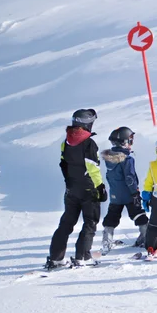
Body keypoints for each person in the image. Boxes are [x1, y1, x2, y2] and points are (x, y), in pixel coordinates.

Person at [46, 109, 107, 269]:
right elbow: (93, 168)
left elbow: (63, 164)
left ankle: (55, 258)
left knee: (66, 222)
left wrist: (69, 183)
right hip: (88, 189)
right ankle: (82, 257)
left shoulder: (66, 142)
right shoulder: (89, 144)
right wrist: (100, 187)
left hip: (72, 189)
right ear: (88, 124)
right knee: (90, 221)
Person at [100, 127, 149, 254]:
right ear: (124, 142)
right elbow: (130, 177)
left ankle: (107, 238)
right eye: (130, 141)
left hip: (115, 194)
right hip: (128, 193)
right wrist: (135, 193)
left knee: (112, 215)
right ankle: (146, 236)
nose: (131, 144)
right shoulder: (127, 159)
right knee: (138, 213)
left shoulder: (109, 159)